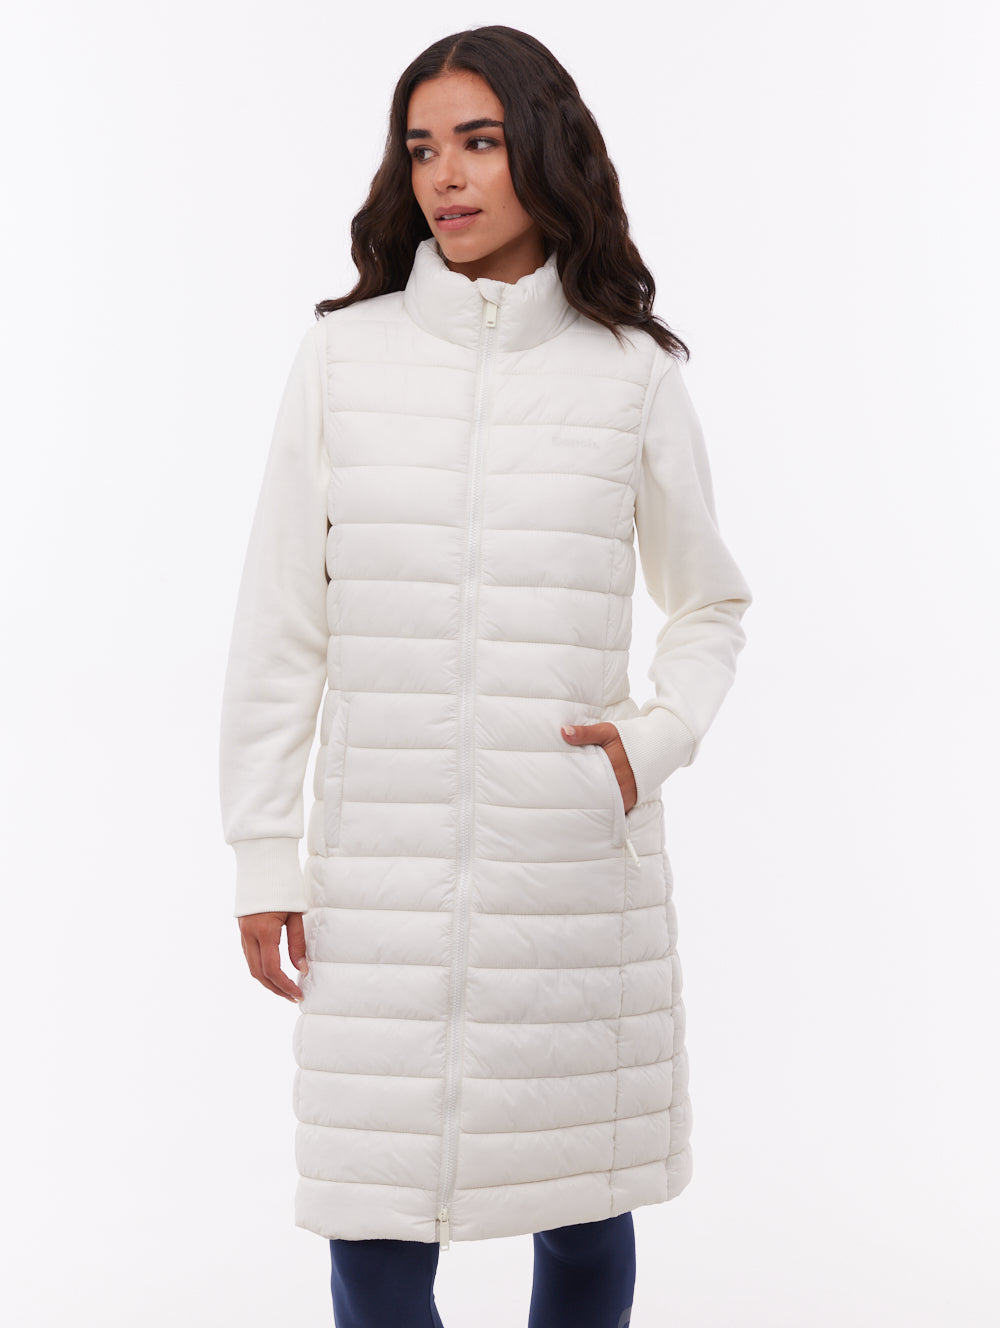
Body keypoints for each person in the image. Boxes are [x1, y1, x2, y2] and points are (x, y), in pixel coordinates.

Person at [218, 24, 753, 1328]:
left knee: (584, 1205)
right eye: (421, 150)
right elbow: (280, 624)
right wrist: (264, 853)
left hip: (568, 872)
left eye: (478, 142)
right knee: (374, 1227)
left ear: (545, 152)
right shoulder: (343, 360)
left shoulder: (630, 374)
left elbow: (710, 603)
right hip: (378, 875)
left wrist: (652, 742)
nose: (445, 177)